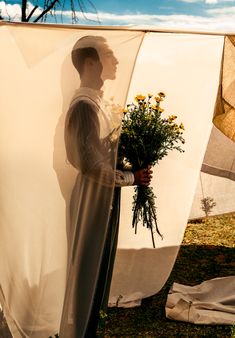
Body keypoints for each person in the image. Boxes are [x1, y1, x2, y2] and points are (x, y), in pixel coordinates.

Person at [59, 36, 152, 338]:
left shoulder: (97, 104)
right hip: (90, 199)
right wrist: (130, 178)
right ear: (90, 63)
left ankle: (89, 329)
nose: (116, 61)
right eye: (109, 56)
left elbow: (100, 154)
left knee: (98, 269)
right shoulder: (83, 107)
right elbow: (87, 163)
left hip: (101, 199)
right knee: (87, 270)